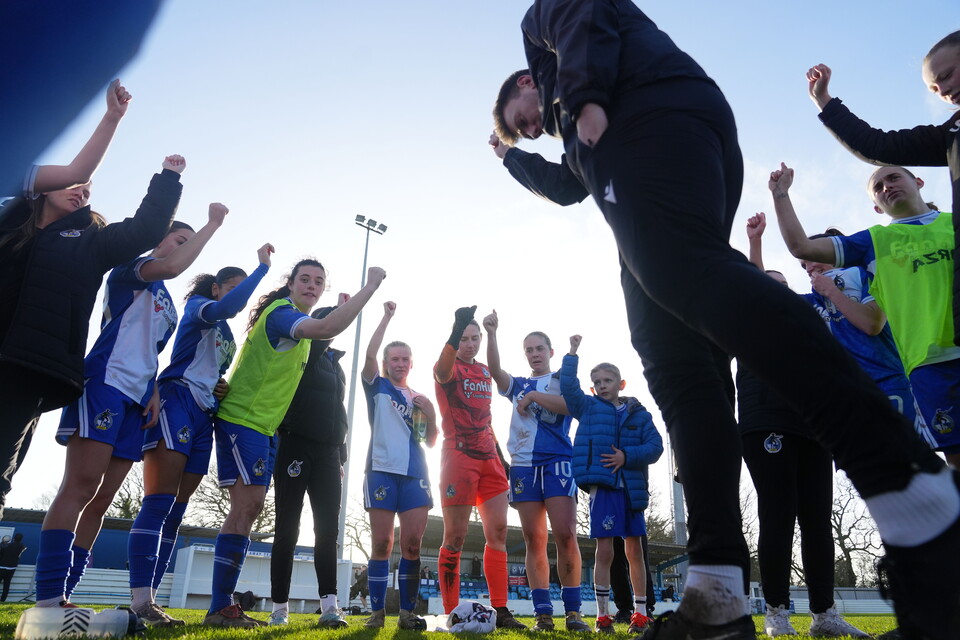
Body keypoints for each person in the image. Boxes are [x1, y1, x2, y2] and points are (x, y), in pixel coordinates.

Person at [490, 3, 959, 638]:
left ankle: (915, 494)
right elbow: (569, 185)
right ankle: (717, 593)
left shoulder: (550, 49)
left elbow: (577, 5)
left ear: (525, 81)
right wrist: (513, 157)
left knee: (691, 274)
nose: (537, 127)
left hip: (652, 115)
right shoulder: (572, 119)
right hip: (638, 152)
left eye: (527, 119)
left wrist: (582, 98)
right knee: (671, 352)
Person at [34, 194, 223, 615]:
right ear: (159, 239)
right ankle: (47, 597)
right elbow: (171, 267)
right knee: (80, 487)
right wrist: (211, 227)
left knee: (102, 500)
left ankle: (68, 592)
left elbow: (150, 351)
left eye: (187, 242)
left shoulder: (170, 305)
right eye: (177, 239)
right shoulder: (132, 271)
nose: (182, 247)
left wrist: (152, 390)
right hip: (105, 384)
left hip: (138, 402)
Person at [0, 81, 172, 520]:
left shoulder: (90, 241)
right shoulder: (8, 217)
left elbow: (145, 230)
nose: (81, 190)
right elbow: (74, 167)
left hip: (29, 367)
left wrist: (167, 181)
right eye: (74, 185)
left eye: (89, 191)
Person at [203, 260, 385, 628]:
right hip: (245, 420)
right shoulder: (283, 314)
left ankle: (225, 607)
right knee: (249, 511)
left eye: (319, 281)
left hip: (265, 428)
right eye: (305, 279)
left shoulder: (305, 341)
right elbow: (327, 326)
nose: (312, 285)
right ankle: (227, 606)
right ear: (290, 283)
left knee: (251, 509)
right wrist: (371, 287)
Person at [128, 243, 273, 626]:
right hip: (177, 400)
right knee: (158, 501)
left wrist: (220, 386)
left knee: (177, 510)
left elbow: (213, 371)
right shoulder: (199, 308)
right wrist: (260, 271)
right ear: (217, 288)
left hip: (205, 415)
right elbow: (226, 310)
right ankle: (140, 600)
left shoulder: (228, 336)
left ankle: (151, 604)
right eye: (234, 287)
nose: (240, 295)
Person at [740, 220, 873, 638]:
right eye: (769, 284)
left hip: (815, 425)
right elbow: (752, 287)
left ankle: (824, 614)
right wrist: (756, 242)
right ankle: (777, 611)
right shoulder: (752, 318)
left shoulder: (808, 311)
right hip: (767, 423)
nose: (777, 289)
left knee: (817, 519)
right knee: (778, 514)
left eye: (783, 283)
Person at [804, 32, 960, 341]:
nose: (942, 90)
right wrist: (824, 100)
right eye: (933, 87)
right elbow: (878, 145)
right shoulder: (952, 132)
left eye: (946, 75)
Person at [483, 311, 588, 632]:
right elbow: (495, 372)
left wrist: (532, 397)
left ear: (551, 352)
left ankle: (573, 613)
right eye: (529, 349)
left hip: (557, 461)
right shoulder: (518, 384)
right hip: (524, 467)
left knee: (566, 535)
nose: (534, 354)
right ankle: (543, 613)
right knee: (533, 539)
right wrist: (491, 334)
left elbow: (570, 407)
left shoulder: (562, 380)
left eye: (539, 348)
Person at [561, 335, 662, 635]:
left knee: (635, 552)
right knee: (605, 551)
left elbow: (655, 447)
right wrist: (572, 353)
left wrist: (626, 456)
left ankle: (641, 614)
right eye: (597, 381)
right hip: (603, 489)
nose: (602, 385)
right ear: (592, 388)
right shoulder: (588, 408)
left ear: (621, 384)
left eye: (608, 380)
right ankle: (603, 616)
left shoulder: (640, 415)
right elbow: (568, 388)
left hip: (632, 490)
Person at [433, 306, 526, 629]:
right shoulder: (447, 367)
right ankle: (452, 612)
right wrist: (455, 327)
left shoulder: (485, 372)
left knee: (498, 532)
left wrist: (502, 459)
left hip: (490, 459)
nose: (470, 344)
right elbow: (442, 373)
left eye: (475, 338)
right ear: (455, 341)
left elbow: (487, 419)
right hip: (458, 458)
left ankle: (501, 609)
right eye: (464, 339)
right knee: (455, 537)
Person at [268, 293, 351, 628]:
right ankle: (279, 608)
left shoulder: (337, 366)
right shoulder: (306, 352)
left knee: (327, 531)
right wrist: (341, 309)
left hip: (329, 453)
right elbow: (322, 332)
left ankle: (329, 606)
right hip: (295, 446)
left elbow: (339, 413)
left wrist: (341, 455)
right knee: (287, 528)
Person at [358, 302, 437, 631]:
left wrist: (431, 412)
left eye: (405, 359)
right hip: (380, 470)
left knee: (412, 545)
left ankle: (407, 612)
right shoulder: (376, 385)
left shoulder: (418, 397)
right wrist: (386, 317)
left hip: (416, 473)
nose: (400, 363)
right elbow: (370, 353)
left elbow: (430, 440)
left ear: (411, 363)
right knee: (381, 544)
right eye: (395, 359)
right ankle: (376, 613)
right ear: (387, 363)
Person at [0, 533, 26, 602]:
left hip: (2, 566)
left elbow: (2, 550)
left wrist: (3, 542)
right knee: (7, 585)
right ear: (21, 539)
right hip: (12, 567)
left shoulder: (8, 545)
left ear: (14, 538)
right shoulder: (21, 546)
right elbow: (23, 549)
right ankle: (2, 600)